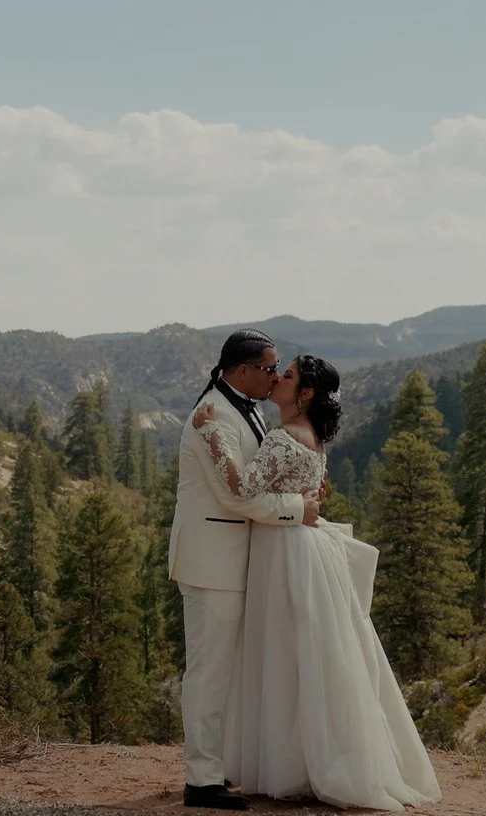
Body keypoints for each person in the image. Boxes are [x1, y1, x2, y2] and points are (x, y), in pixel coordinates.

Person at [226, 354, 439, 810]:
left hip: (286, 553)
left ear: (304, 393)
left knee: (286, 654)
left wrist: (211, 439)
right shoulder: (312, 438)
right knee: (309, 655)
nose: (277, 378)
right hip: (304, 551)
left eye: (287, 376)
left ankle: (291, 763)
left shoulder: (285, 437)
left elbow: (242, 489)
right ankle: (311, 759)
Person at [169, 329, 324, 811]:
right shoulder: (213, 416)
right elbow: (235, 496)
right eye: (270, 367)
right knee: (209, 672)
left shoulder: (248, 408)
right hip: (212, 562)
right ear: (243, 371)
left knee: (232, 673)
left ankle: (223, 766)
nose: (276, 375)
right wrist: (298, 509)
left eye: (280, 369)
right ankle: (201, 781)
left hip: (239, 562)